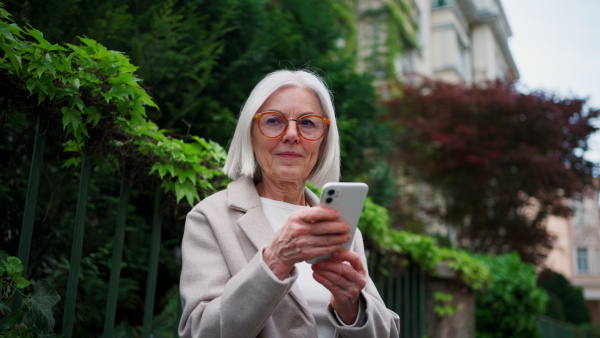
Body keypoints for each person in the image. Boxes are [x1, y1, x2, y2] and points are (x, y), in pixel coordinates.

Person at [178, 70, 400, 338]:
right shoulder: (210, 218)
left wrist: (353, 308)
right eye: (273, 121)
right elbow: (200, 332)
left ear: (324, 140)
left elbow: (387, 332)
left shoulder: (340, 227)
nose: (292, 134)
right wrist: (275, 261)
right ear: (250, 134)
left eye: (308, 123)